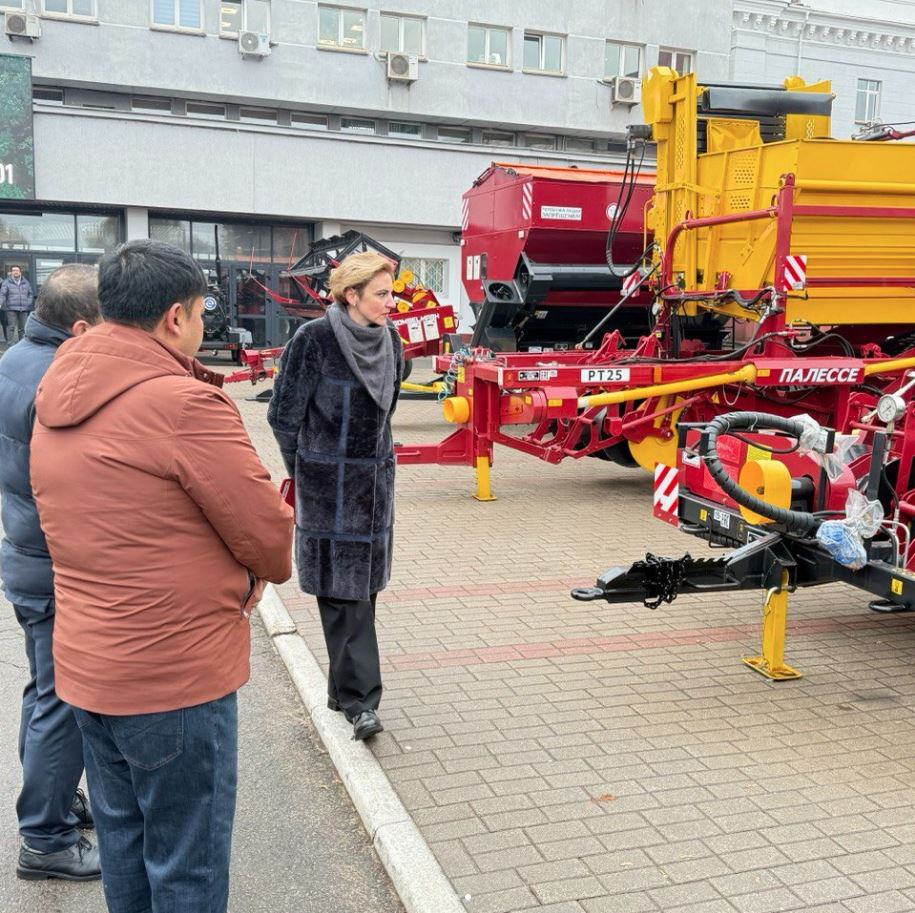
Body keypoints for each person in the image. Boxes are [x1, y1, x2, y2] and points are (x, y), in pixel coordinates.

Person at [30, 239, 294, 913]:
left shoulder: (55, 391)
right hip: (172, 676)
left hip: (89, 664)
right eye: (203, 312)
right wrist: (247, 571)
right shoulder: (181, 404)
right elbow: (269, 537)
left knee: (125, 843)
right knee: (187, 864)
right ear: (175, 317)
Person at [268, 251, 404, 741]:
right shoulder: (315, 340)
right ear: (351, 295)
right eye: (382, 293)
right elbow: (283, 417)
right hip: (329, 489)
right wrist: (308, 472)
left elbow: (385, 413)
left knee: (360, 595)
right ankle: (361, 703)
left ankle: (340, 689)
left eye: (391, 292)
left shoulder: (392, 342)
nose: (393, 301)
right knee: (343, 597)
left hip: (375, 491)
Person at [0, 265, 102, 882]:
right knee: (62, 703)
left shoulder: (14, 357)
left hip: (27, 553)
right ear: (82, 326)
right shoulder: (58, 378)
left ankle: (55, 803)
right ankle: (45, 839)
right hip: (54, 563)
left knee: (44, 693)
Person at [0, 265, 35, 343]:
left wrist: (28, 303)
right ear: (11, 272)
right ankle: (10, 344)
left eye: (17, 270)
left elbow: (30, 293)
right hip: (11, 309)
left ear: (20, 272)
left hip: (24, 309)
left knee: (23, 328)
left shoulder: (25, 282)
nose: (16, 272)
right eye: (14, 270)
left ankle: (22, 344)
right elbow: (2, 294)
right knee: (11, 327)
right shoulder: (6, 282)